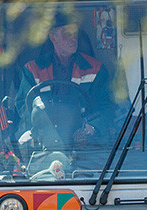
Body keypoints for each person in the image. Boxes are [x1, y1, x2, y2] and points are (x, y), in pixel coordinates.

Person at [16, 12, 113, 152]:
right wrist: (41, 128)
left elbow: (106, 106)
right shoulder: (32, 70)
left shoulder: (96, 69)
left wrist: (91, 128)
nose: (73, 38)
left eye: (75, 33)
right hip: (44, 147)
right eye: (67, 34)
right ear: (53, 37)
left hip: (86, 149)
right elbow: (23, 105)